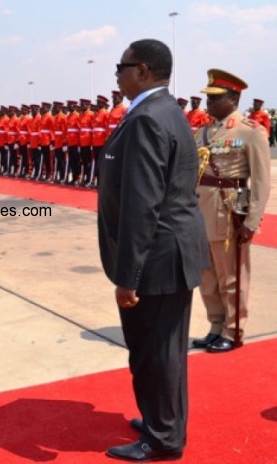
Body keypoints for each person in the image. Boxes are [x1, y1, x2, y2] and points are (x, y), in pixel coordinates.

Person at [97, 39, 209, 462]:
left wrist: (128, 276)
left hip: (157, 258)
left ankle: (162, 438)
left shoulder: (146, 117)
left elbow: (143, 203)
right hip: (170, 252)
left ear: (141, 70)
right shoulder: (165, 110)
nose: (117, 75)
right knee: (165, 351)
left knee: (153, 353)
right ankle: (162, 421)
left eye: (120, 67)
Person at [192, 70, 271, 352]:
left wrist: (251, 220)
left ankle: (233, 329)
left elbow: (261, 181)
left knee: (231, 276)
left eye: (215, 98)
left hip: (228, 213)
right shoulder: (205, 131)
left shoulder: (250, 131)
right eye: (208, 98)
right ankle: (215, 325)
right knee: (207, 276)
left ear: (234, 98)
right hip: (202, 211)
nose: (209, 103)